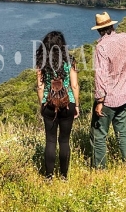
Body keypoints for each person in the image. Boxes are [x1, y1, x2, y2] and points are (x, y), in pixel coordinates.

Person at [90, 12, 126, 169]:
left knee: (99, 136)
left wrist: (99, 101)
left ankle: (100, 170)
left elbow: (100, 76)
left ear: (99, 30)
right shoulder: (123, 38)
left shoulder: (101, 47)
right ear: (112, 26)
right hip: (125, 96)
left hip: (108, 100)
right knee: (122, 134)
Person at [36, 31, 80, 180]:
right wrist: (77, 106)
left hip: (49, 105)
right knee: (64, 141)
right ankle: (64, 176)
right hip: (68, 105)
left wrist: (42, 105)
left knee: (50, 140)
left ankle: (48, 177)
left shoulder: (42, 63)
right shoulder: (70, 61)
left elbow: (40, 87)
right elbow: (74, 86)